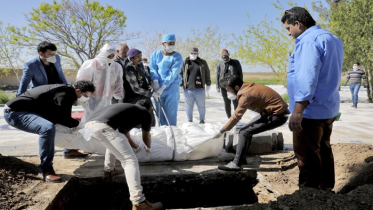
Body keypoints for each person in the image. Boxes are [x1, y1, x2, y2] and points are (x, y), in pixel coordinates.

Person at [282, 7, 344, 190]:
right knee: (324, 149)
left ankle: (309, 197)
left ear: (298, 24)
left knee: (307, 156)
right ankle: (325, 190)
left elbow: (306, 78)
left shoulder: (308, 41)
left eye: (288, 28)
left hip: (310, 111)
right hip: (328, 107)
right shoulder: (332, 38)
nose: (288, 33)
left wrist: (298, 110)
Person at [4, 81, 95, 182]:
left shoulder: (68, 92)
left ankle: (69, 151)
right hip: (15, 112)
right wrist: (81, 125)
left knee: (59, 126)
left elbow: (64, 118)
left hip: (29, 111)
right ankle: (45, 170)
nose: (85, 98)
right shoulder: (65, 93)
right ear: (78, 91)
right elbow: (62, 118)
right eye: (85, 95)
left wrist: (76, 125)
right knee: (47, 128)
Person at [84, 103, 163, 210]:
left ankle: (109, 170)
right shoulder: (145, 112)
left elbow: (125, 138)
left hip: (89, 125)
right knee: (130, 161)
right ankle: (139, 202)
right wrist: (148, 149)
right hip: (103, 126)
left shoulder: (124, 111)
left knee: (112, 143)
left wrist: (137, 147)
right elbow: (147, 136)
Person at [16, 41, 86, 159]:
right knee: (48, 127)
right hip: (44, 100)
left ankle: (69, 150)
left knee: (67, 123)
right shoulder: (30, 65)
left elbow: (61, 74)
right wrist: (19, 102)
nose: (54, 56)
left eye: (54, 53)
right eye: (50, 54)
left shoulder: (57, 58)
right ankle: (47, 156)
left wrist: (68, 89)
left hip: (61, 96)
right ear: (41, 54)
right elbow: (24, 84)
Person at [213, 75, 289, 171]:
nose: (228, 92)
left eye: (228, 89)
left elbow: (236, 116)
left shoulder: (246, 95)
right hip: (270, 113)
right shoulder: (246, 86)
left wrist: (222, 131)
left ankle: (236, 164)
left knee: (245, 132)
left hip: (277, 116)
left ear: (236, 87)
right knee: (244, 131)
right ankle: (241, 158)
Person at [76, 43, 124, 122]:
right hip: (91, 99)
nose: (110, 58)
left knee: (104, 121)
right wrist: (82, 98)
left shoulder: (116, 67)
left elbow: (118, 83)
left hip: (107, 99)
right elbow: (82, 82)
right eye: (108, 56)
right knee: (90, 121)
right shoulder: (91, 64)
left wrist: (119, 96)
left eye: (112, 56)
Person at [149, 34, 183, 126]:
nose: (172, 45)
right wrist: (155, 81)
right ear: (163, 43)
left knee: (171, 114)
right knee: (159, 113)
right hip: (157, 87)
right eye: (169, 43)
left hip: (172, 88)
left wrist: (164, 86)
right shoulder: (156, 54)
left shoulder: (177, 57)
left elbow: (173, 73)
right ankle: (162, 134)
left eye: (173, 43)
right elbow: (152, 68)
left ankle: (172, 134)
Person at [123, 48, 155, 126]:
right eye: (138, 57)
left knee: (150, 121)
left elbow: (146, 77)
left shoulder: (140, 65)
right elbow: (135, 88)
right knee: (137, 123)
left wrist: (152, 83)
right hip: (134, 100)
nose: (140, 58)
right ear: (131, 58)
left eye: (141, 56)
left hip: (144, 98)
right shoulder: (129, 69)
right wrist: (151, 94)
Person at [180, 47, 211, 124]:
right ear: (189, 53)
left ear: (198, 54)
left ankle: (202, 120)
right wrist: (180, 84)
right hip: (188, 89)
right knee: (189, 106)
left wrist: (208, 83)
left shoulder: (203, 62)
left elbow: (207, 73)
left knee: (201, 106)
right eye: (192, 53)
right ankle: (190, 120)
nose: (193, 55)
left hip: (200, 88)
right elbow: (180, 73)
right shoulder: (185, 62)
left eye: (195, 53)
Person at [215, 48, 243, 119]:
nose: (224, 56)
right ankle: (229, 118)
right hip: (224, 86)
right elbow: (217, 75)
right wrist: (217, 86)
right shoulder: (220, 64)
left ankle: (236, 118)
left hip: (234, 86)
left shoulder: (236, 62)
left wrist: (240, 85)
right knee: (227, 102)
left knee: (235, 102)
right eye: (222, 55)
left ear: (228, 54)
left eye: (225, 54)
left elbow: (240, 74)